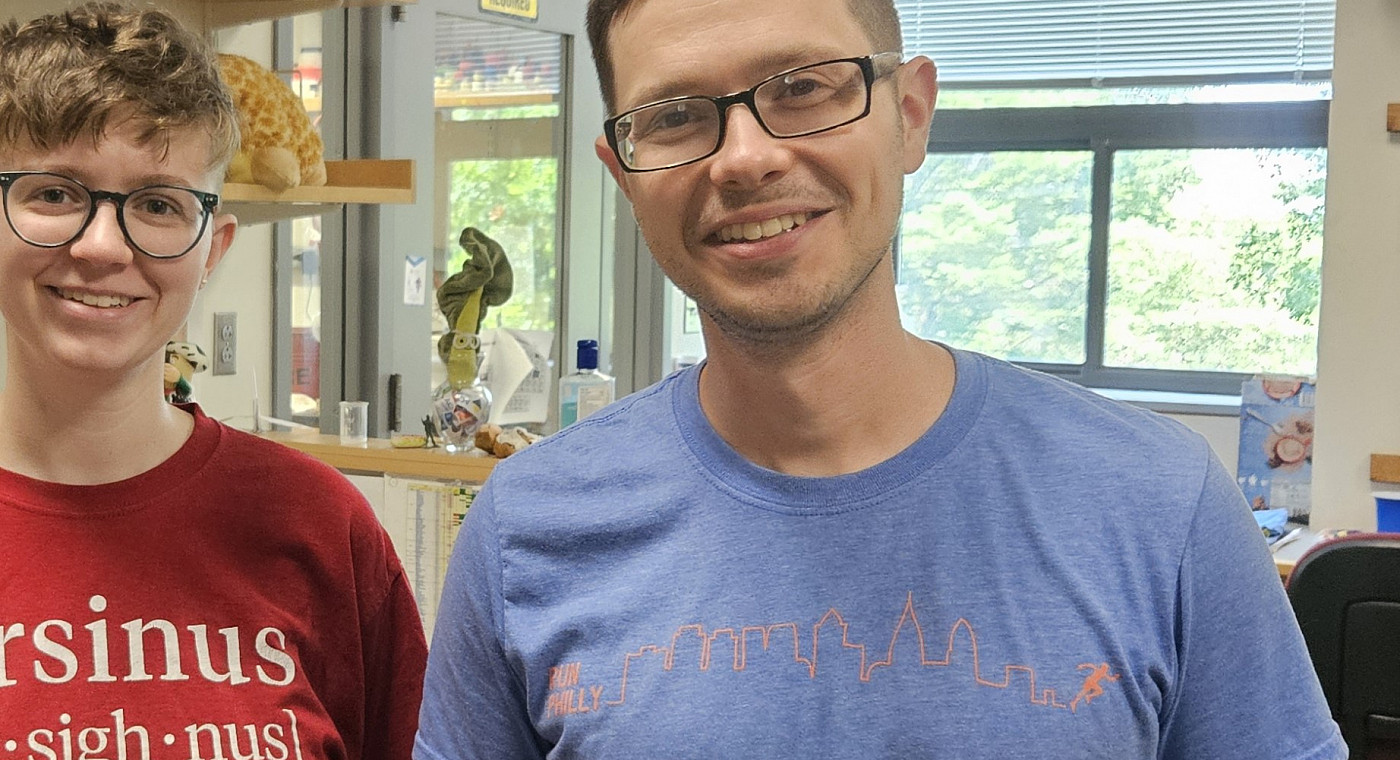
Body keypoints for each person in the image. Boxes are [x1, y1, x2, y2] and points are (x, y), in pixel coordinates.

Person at [415, 0, 1346, 757]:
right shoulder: (526, 530)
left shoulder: (1160, 504)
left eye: (802, 88)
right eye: (675, 117)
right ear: (624, 175)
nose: (745, 157)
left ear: (909, 116)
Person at [0, 3, 426, 755]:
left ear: (213, 250)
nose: (102, 247)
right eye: (55, 192)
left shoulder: (322, 527)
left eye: (158, 204)